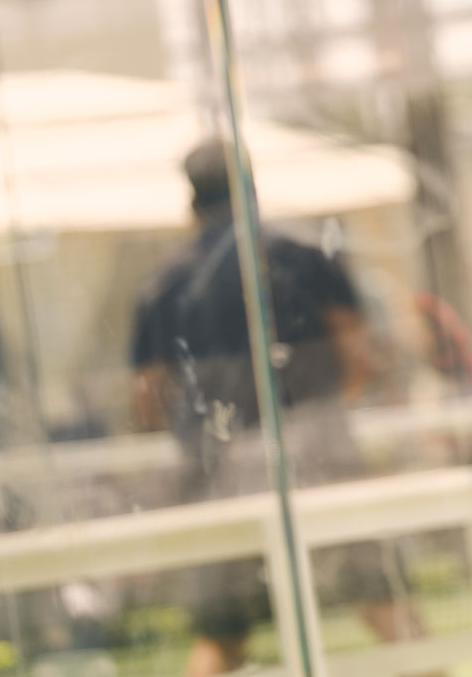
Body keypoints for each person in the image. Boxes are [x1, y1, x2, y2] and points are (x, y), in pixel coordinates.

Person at [130, 140, 421, 675]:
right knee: (383, 602)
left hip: (218, 463)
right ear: (252, 188)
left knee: (221, 631)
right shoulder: (300, 254)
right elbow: (358, 352)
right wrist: (322, 413)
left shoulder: (165, 282)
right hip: (315, 446)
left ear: (191, 203)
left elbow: (147, 395)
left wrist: (202, 429)